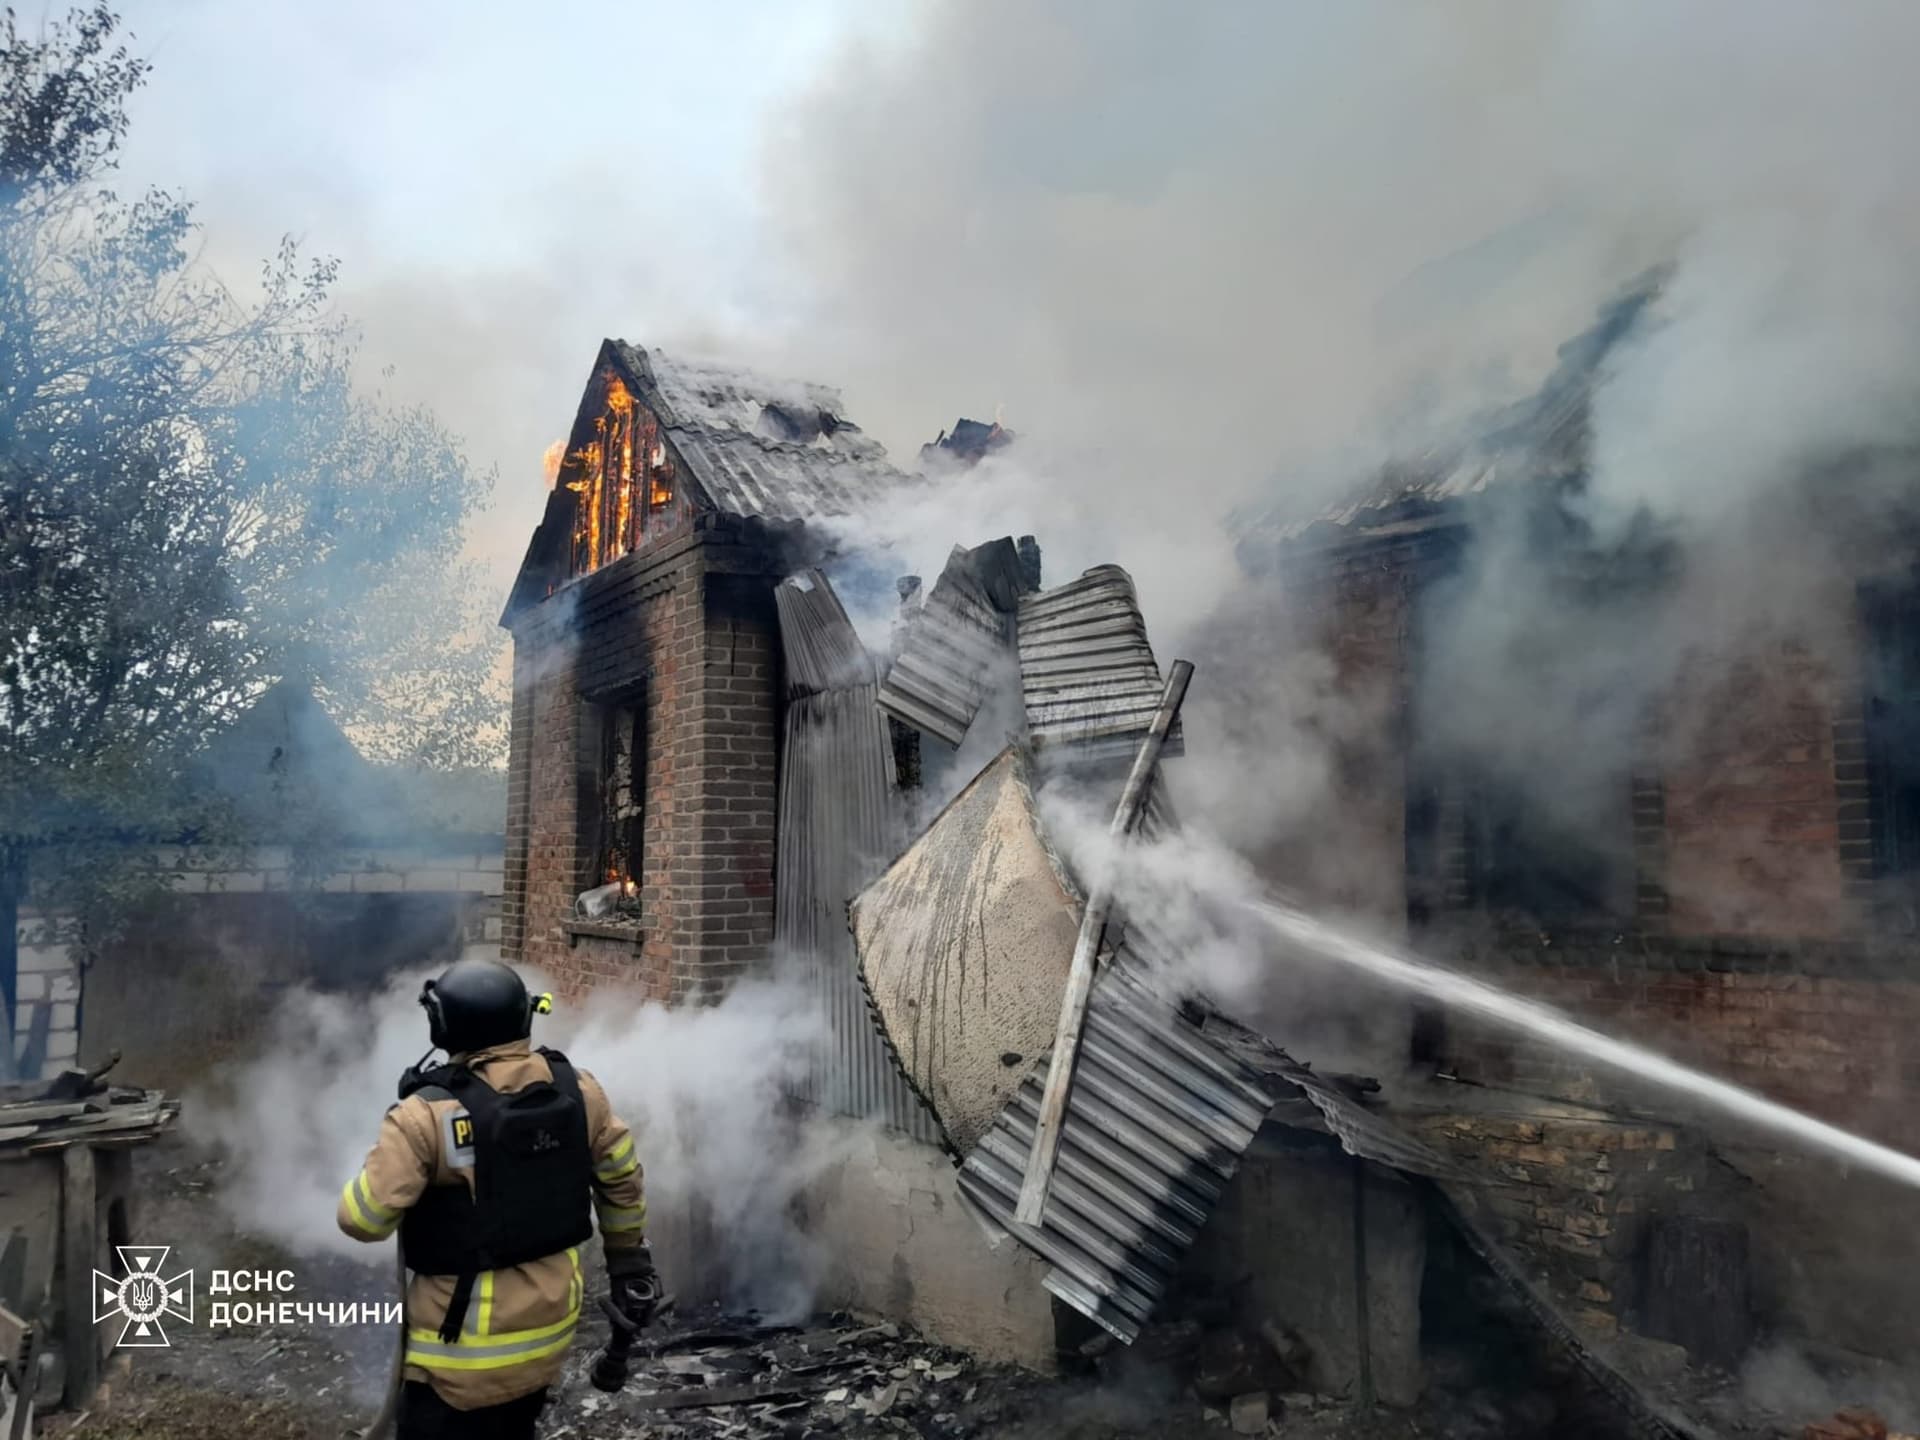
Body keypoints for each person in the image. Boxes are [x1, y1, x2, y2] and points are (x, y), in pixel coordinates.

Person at [338, 959, 659, 1439]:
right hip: (547, 1338)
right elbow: (622, 1179)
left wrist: (393, 1147)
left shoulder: (424, 1115)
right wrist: (628, 1260)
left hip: (459, 1356)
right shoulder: (580, 1090)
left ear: (443, 1027)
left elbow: (362, 1219)